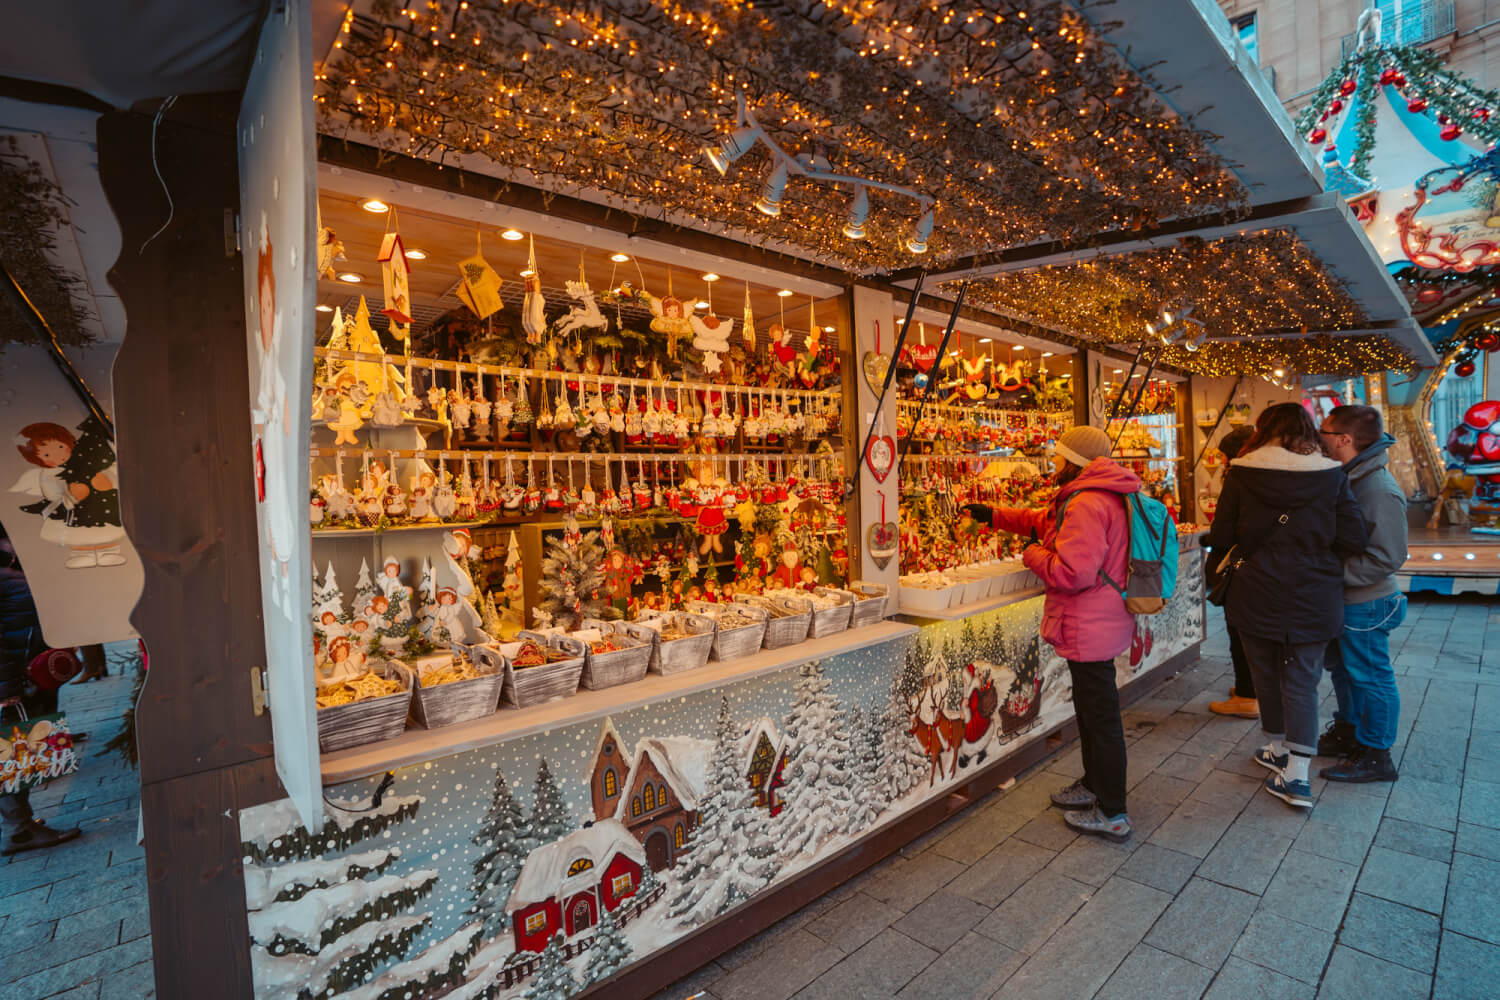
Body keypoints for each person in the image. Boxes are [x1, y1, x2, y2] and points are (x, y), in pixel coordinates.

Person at [962, 425, 1139, 841]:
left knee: (1101, 718)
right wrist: (996, 517)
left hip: (1088, 623)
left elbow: (1072, 572)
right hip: (1100, 620)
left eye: (1058, 457)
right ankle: (1094, 788)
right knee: (1095, 713)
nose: (1053, 464)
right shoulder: (1098, 495)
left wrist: (1031, 554)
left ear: (1073, 461)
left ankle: (1113, 812)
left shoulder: (1087, 502)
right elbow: (1045, 521)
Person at [1207, 403, 1367, 809]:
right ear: (1308, 431)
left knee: (1264, 676)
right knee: (1302, 682)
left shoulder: (1242, 472)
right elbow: (1353, 538)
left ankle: (1278, 747)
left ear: (1263, 430)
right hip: (1314, 593)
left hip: (1254, 590)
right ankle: (1295, 772)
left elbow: (1222, 534)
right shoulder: (1331, 476)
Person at [1316, 405, 1408, 783]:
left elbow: (1389, 556)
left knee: (1370, 675)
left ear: (1344, 440)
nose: (1317, 440)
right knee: (1345, 671)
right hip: (1350, 599)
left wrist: (1331, 573)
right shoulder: (1353, 478)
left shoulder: (1378, 488)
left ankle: (1376, 754)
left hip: (1367, 603)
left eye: (1323, 433)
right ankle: (1350, 731)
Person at [0, 532, 82, 855]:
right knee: (13, 751)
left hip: (32, 673)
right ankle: (19, 831)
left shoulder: (12, 563)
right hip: (17, 678)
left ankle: (23, 823)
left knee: (23, 749)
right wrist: (5, 688)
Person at [1209, 425, 1259, 719]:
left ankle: (1246, 695)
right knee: (1253, 633)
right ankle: (1252, 687)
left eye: (1226, 456)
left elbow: (1223, 532)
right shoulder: (1272, 474)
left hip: (1243, 569)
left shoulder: (1240, 477)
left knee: (1239, 631)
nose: (1224, 463)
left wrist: (1214, 541)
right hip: (1266, 570)